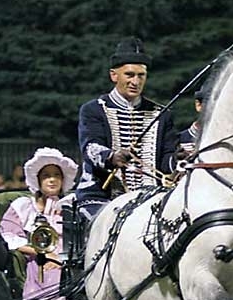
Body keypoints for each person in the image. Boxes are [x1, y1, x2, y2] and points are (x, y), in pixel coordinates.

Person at [75, 37, 178, 218]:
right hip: (101, 196)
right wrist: (112, 156)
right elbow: (90, 147)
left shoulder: (161, 114)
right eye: (129, 75)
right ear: (114, 75)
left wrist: (178, 159)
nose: (136, 82)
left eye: (141, 75)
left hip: (151, 196)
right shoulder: (94, 109)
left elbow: (166, 159)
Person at [0, 147, 78, 300]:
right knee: (48, 273)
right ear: (38, 180)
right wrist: (46, 254)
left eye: (57, 175)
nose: (52, 180)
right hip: (38, 260)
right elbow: (10, 237)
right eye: (46, 176)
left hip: (71, 258)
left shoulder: (71, 205)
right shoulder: (24, 205)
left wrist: (62, 259)